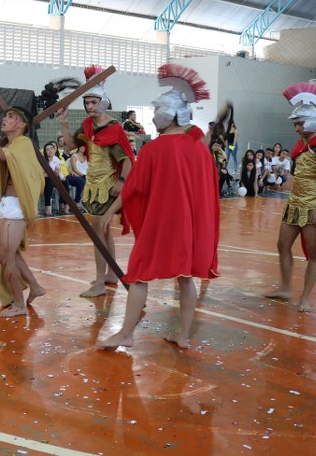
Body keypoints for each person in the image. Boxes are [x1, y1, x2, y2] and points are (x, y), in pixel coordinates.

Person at [98, 63, 219, 350]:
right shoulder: (199, 147)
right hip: (189, 227)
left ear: (170, 114)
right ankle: (183, 335)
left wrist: (109, 211)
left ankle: (126, 333)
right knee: (185, 278)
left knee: (139, 274)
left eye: (155, 111)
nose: (152, 117)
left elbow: (132, 188)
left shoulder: (154, 148)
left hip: (162, 224)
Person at [58, 64, 134, 297]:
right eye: (86, 102)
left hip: (107, 188)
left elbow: (127, 160)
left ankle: (100, 283)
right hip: (93, 186)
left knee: (98, 233)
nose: (89, 106)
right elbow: (71, 146)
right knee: (104, 232)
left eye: (93, 102)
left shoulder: (115, 128)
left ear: (103, 102)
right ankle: (110, 275)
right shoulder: (88, 125)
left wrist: (121, 182)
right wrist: (64, 122)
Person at [265, 83, 316, 312]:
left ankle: (305, 297)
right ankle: (285, 288)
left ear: (313, 121)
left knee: (314, 253)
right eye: (295, 124)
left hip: (314, 205)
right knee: (282, 245)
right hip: (295, 203)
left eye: (300, 123)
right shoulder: (302, 144)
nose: (296, 128)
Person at [0, 103, 45, 318]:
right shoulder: (15, 145)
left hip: (17, 206)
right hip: (9, 203)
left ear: (22, 124)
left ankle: (19, 304)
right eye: (6, 116)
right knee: (7, 252)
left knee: (6, 255)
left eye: (11, 116)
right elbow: (2, 158)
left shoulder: (23, 143)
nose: (5, 119)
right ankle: (35, 287)